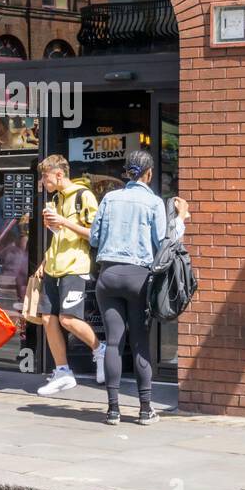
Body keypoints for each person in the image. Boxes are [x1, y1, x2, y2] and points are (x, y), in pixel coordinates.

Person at [89, 149, 188, 426]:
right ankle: (145, 409)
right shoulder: (154, 202)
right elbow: (164, 243)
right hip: (138, 277)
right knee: (140, 341)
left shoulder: (110, 197)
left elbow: (95, 238)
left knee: (113, 343)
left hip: (108, 275)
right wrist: (182, 218)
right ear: (149, 173)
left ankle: (112, 410)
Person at [34, 155, 106, 396]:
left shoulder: (83, 196)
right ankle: (63, 371)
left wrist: (64, 221)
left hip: (75, 266)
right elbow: (59, 235)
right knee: (47, 318)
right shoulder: (56, 198)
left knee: (67, 319)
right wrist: (44, 260)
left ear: (59, 174)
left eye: (45, 177)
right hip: (54, 265)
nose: (43, 182)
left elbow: (94, 234)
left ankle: (100, 350)